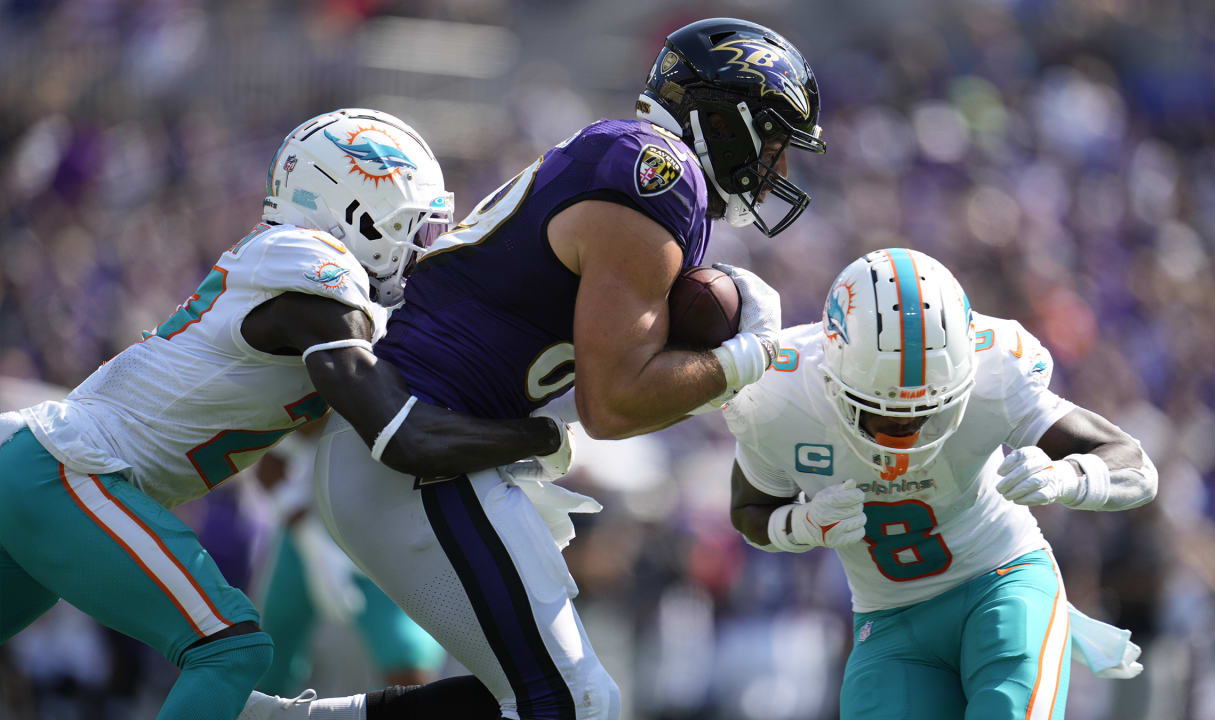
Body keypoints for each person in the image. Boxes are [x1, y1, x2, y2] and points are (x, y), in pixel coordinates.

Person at [241, 16, 827, 720]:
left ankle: (276, 719)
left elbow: (616, 394)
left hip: (422, 447)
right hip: (417, 447)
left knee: (560, 700)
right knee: (571, 704)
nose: (780, 167)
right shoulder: (659, 178)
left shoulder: (634, 164)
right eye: (772, 138)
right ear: (721, 118)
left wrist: (724, 370)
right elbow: (613, 406)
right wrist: (746, 358)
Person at [0, 108, 571, 720]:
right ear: (360, 212)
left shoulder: (289, 277)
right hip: (65, 471)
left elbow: (296, 435)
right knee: (230, 647)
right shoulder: (313, 269)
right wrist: (537, 436)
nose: (422, 252)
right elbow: (401, 435)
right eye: (418, 229)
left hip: (44, 471)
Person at [724, 248, 1155, 720]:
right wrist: (804, 524)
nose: (906, 432)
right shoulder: (777, 392)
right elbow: (750, 512)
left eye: (928, 409)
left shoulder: (995, 368)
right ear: (831, 377)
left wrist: (1065, 476)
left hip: (1002, 583)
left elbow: (1133, 466)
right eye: (882, 411)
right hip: (888, 621)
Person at [252, 419, 447, 695]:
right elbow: (270, 467)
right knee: (264, 662)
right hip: (313, 537)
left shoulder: (431, 396)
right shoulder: (338, 397)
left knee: (410, 672)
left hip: (387, 547)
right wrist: (310, 541)